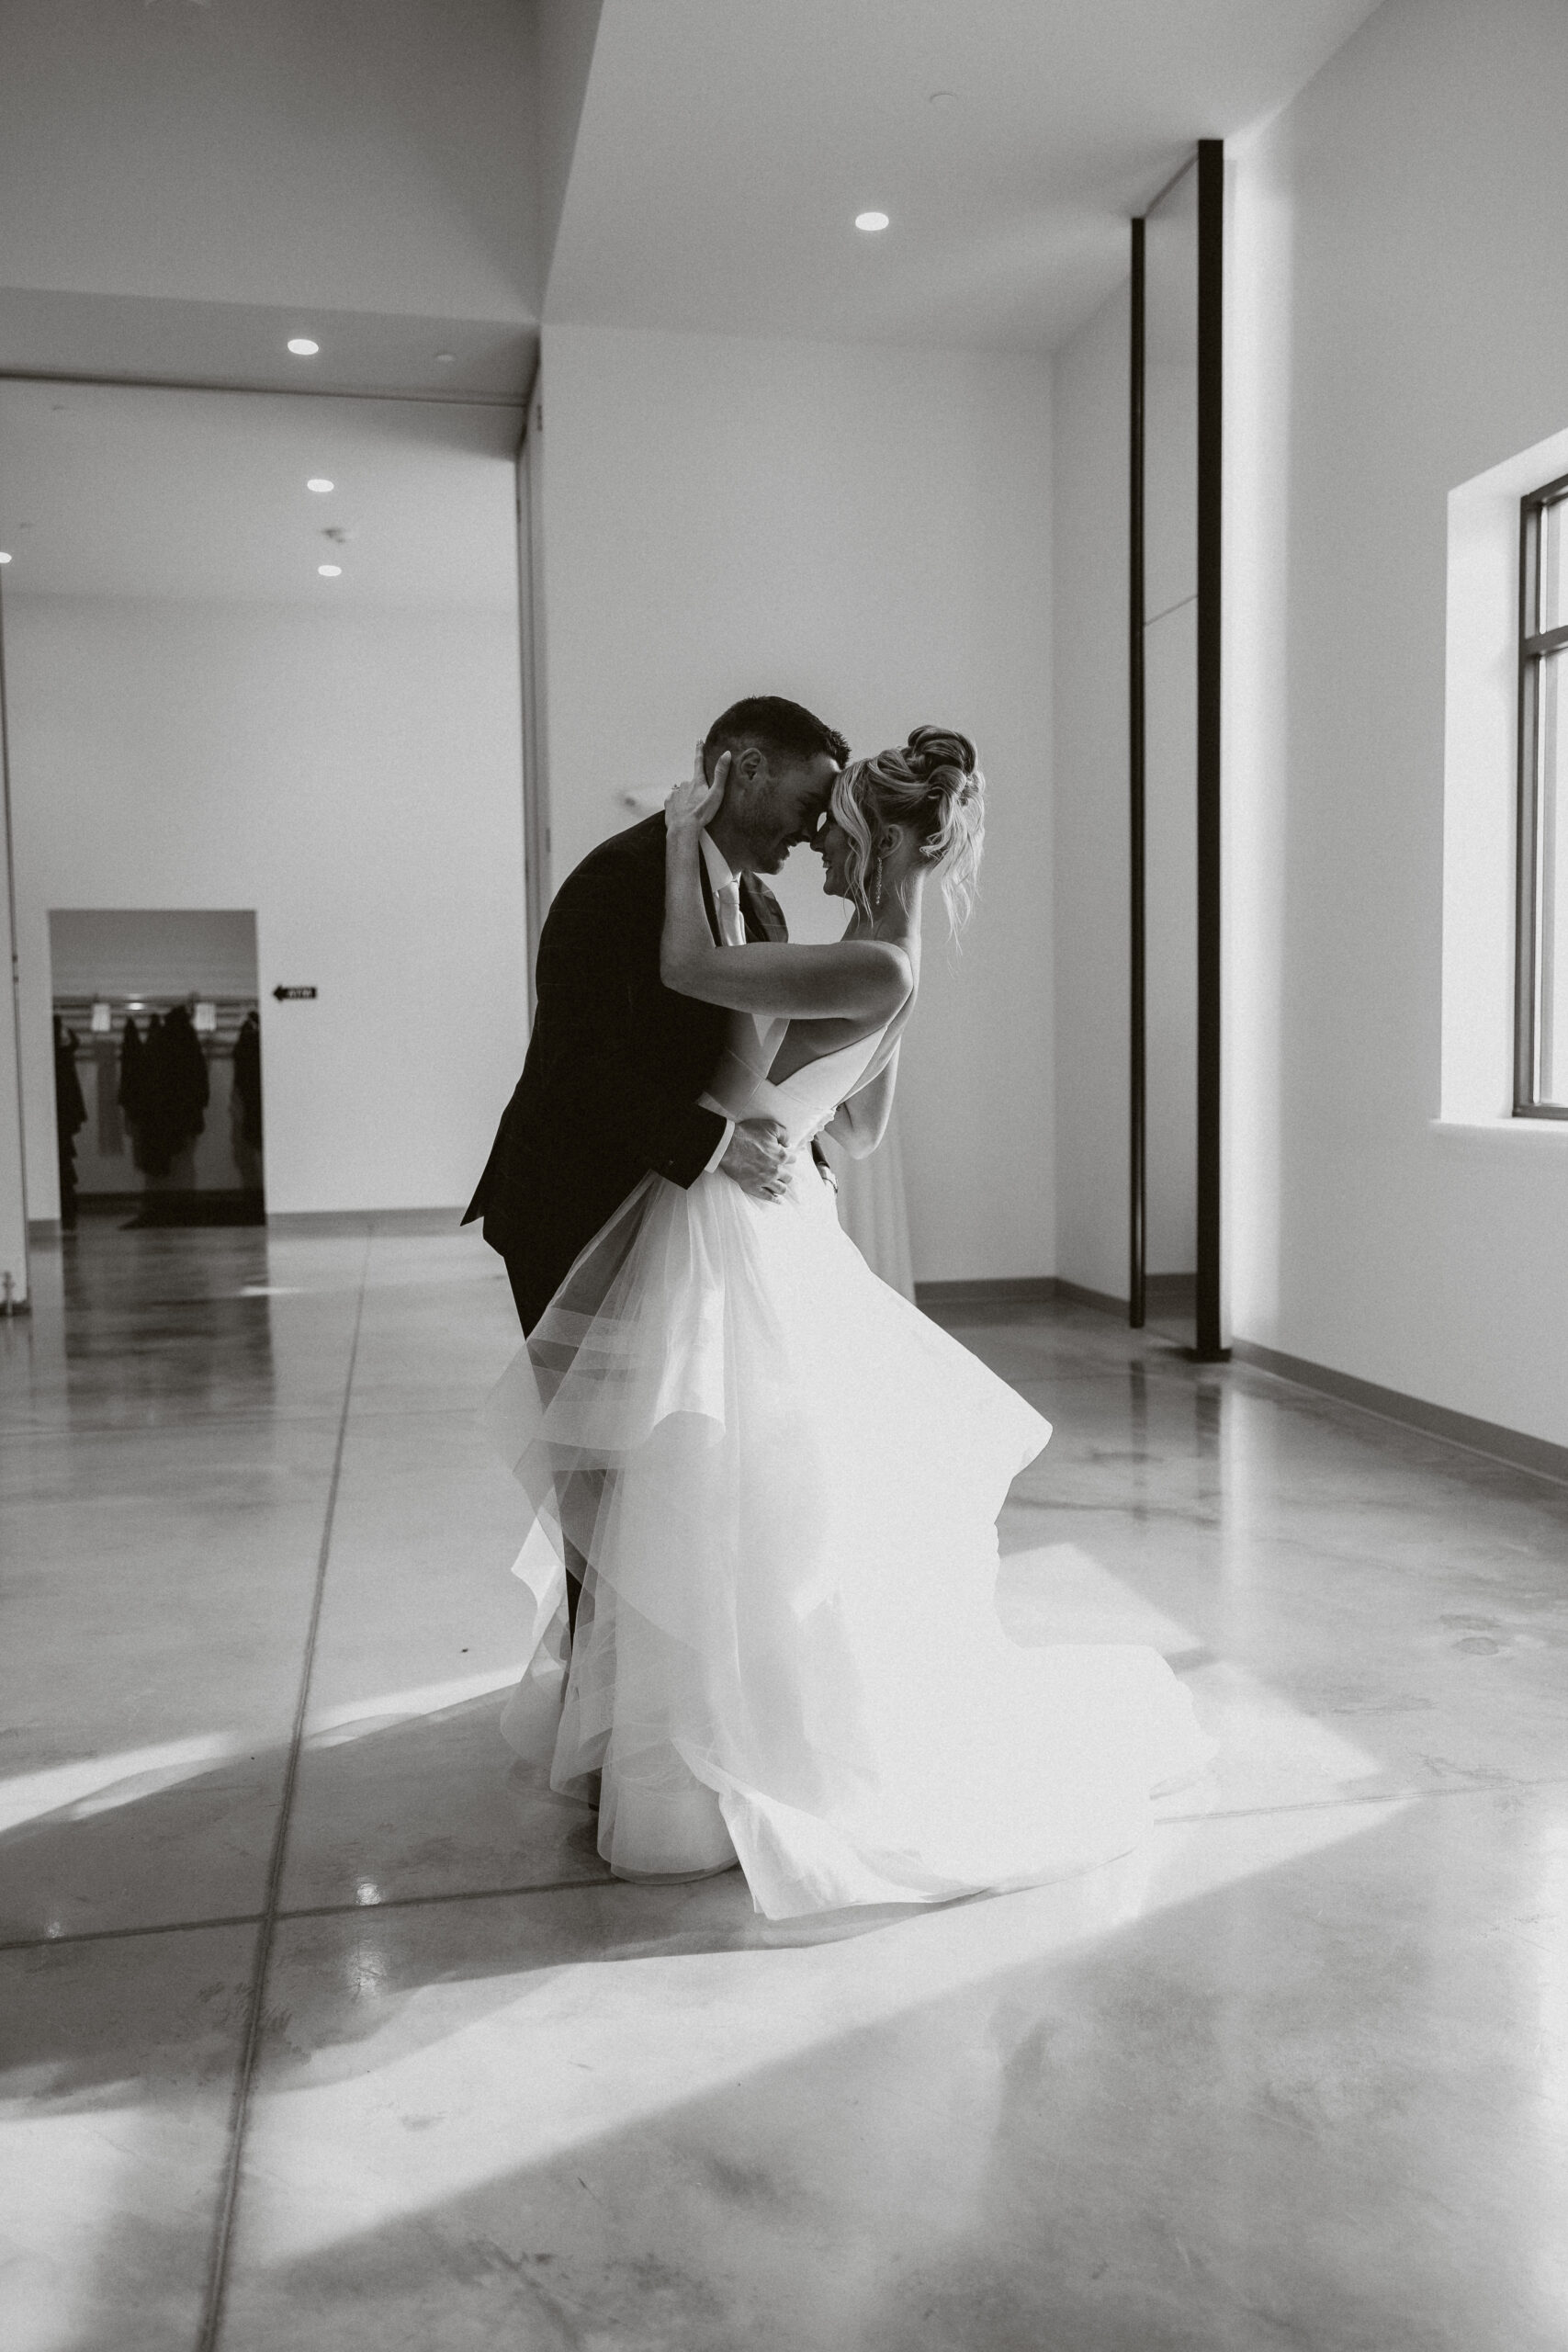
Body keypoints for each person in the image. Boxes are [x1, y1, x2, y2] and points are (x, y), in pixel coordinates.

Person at [486, 725, 1213, 1919]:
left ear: (873, 838)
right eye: (816, 808)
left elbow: (682, 972)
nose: (814, 833)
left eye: (836, 817)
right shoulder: (883, 954)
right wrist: (776, 1127)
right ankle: (680, 1742)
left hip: (730, 1230)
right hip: (750, 1210)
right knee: (714, 1494)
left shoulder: (855, 957)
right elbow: (859, 1135)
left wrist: (678, 837)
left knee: (697, 1493)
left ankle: (691, 1762)